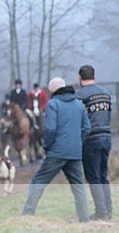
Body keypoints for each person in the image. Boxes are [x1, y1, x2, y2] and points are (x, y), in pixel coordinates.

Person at [21, 77, 91, 222]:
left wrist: (46, 146)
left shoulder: (52, 104)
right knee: (78, 186)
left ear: (51, 90)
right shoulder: (79, 105)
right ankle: (85, 219)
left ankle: (27, 214)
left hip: (57, 152)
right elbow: (87, 128)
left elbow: (51, 130)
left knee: (39, 180)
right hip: (75, 152)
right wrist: (77, 142)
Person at [76, 64, 113, 220]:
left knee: (93, 177)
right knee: (103, 175)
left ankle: (101, 212)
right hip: (107, 136)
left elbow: (78, 120)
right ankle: (108, 209)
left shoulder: (79, 96)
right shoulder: (106, 94)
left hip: (91, 139)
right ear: (94, 76)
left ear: (80, 78)